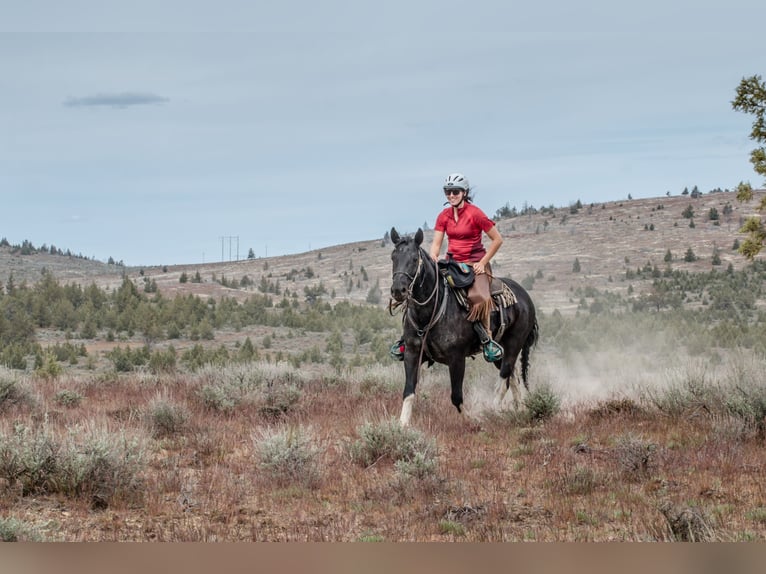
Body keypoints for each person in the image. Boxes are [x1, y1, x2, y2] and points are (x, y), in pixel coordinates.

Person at [391, 172, 505, 362]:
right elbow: (437, 242)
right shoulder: (443, 216)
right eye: (448, 192)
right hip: (452, 263)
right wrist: (434, 255)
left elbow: (497, 239)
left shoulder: (475, 214)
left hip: (474, 264)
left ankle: (487, 340)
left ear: (464, 192)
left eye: (455, 192)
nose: (451, 195)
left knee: (479, 297)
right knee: (423, 291)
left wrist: (482, 263)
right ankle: (408, 338)